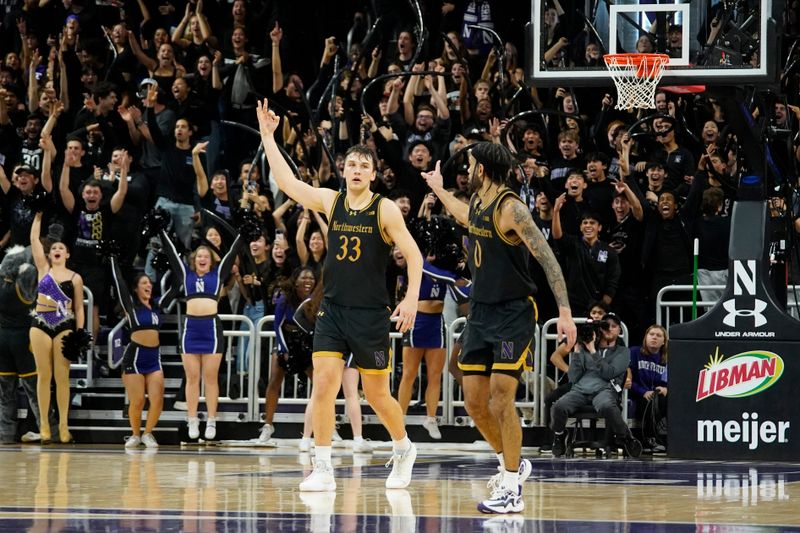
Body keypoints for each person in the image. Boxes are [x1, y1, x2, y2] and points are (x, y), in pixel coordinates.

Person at [257, 99, 423, 492]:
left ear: (372, 174)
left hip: (370, 314)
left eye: (364, 166)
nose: (357, 170)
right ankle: (323, 466)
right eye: (351, 165)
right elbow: (289, 184)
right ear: (343, 171)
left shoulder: (385, 211)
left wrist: (411, 298)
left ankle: (403, 448)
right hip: (331, 310)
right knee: (324, 386)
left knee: (377, 393)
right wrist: (268, 138)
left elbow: (414, 256)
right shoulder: (332, 202)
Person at [423, 142, 576, 514]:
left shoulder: (512, 209)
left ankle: (511, 489)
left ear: (484, 170)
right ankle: (513, 462)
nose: (467, 171)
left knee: (500, 399)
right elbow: (463, 216)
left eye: (471, 165)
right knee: (474, 403)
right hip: (480, 312)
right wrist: (439, 189)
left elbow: (547, 259)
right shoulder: (477, 203)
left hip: (512, 314)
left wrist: (566, 311)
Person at [159, 224, 243, 441]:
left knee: (211, 378)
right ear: (193, 260)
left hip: (211, 330)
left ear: (211, 260)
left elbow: (233, 251)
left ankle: (212, 420)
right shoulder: (185, 275)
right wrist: (161, 231)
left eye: (206, 256)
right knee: (192, 377)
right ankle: (192, 419)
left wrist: (241, 233)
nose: (203, 258)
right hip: (191, 329)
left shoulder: (217, 275)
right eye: (199, 256)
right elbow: (170, 252)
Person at [551, 313, 642, 458]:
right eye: (606, 326)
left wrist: (593, 351)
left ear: (619, 330)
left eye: (614, 326)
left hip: (605, 390)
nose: (609, 329)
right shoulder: (586, 347)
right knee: (558, 406)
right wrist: (577, 351)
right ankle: (560, 435)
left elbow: (609, 373)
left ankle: (625, 437)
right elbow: (573, 377)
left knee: (607, 406)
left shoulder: (623, 352)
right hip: (580, 390)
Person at [30, 212, 85, 444]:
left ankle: (64, 426)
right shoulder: (43, 269)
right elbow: (34, 239)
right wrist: (39, 215)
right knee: (44, 376)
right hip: (40, 324)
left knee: (62, 378)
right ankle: (44, 424)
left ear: (67, 254)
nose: (57, 251)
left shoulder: (75, 278)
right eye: (54, 249)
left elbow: (80, 308)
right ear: (50, 253)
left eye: (61, 248)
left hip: (64, 325)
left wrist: (80, 333)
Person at [110, 255, 165, 449]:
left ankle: (148, 433)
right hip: (134, 357)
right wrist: (112, 260)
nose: (148, 285)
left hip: (154, 358)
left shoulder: (158, 306)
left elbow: (177, 286)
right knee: (138, 400)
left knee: (158, 399)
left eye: (149, 283)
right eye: (143, 283)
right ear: (136, 288)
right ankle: (134, 434)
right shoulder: (132, 307)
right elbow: (119, 283)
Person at [0, 246, 45, 444]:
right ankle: (47, 428)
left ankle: (6, 434)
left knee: (5, 393)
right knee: (34, 390)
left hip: (2, 340)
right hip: (23, 340)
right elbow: (36, 267)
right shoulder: (23, 284)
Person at [629, 324, 668, 450]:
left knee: (663, 400)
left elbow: (670, 381)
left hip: (657, 396)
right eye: (651, 334)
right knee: (650, 402)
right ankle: (650, 438)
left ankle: (656, 438)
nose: (654, 338)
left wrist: (666, 388)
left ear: (663, 341)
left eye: (658, 335)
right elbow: (629, 380)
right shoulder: (634, 352)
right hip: (638, 395)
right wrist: (643, 391)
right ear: (646, 337)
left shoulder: (667, 359)